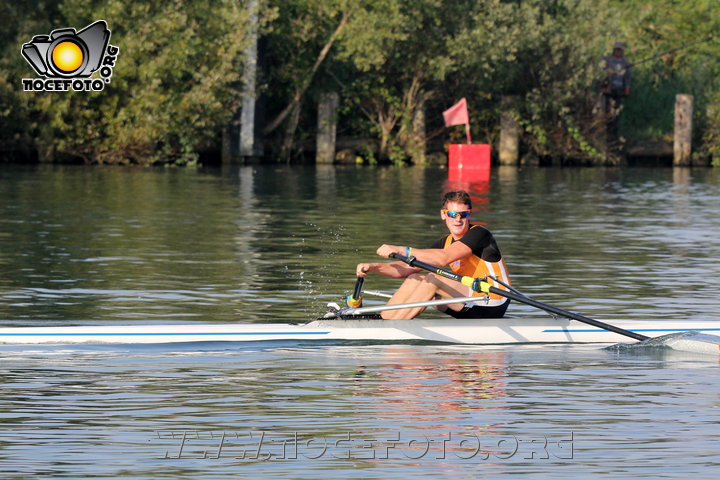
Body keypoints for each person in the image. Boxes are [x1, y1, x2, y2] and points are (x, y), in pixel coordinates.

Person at [356, 190, 511, 320]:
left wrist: (401, 249)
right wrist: (372, 267)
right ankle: (384, 319)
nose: (458, 219)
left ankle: (392, 326)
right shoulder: (445, 242)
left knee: (433, 278)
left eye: (463, 214)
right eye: (452, 214)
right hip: (470, 299)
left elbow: (444, 258)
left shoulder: (479, 234)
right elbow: (406, 268)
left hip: (492, 301)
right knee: (414, 278)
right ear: (443, 215)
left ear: (469, 215)